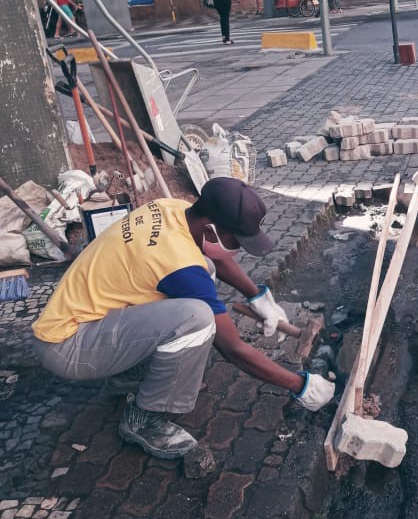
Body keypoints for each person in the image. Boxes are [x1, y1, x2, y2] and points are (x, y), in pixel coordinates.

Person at [31, 178, 335, 459]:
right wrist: (300, 386)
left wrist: (258, 297)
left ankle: (130, 375)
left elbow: (213, 255)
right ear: (211, 228)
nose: (239, 250)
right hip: (68, 345)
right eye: (237, 241)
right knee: (197, 320)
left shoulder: (174, 210)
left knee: (203, 274)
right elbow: (233, 349)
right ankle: (144, 419)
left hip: (87, 318)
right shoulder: (179, 264)